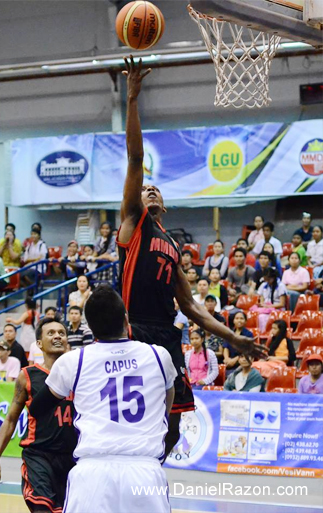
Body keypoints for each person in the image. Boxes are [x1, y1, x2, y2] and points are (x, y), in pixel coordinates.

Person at [116, 56, 263, 456]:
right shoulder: (134, 220)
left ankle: (150, 473)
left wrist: (234, 338)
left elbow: (192, 306)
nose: (150, 191)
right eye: (146, 189)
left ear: (165, 203)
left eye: (156, 190)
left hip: (167, 333)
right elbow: (135, 159)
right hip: (134, 331)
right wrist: (132, 100)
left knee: (175, 427)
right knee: (136, 421)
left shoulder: (172, 243)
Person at [28, 284, 177, 513]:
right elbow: (168, 399)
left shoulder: (72, 362)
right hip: (145, 470)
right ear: (126, 320)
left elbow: (37, 408)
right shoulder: (159, 356)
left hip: (92, 473)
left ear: (90, 327)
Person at [0, 317, 77, 513]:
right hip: (39, 456)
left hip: (73, 458)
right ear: (39, 344)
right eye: (51, 333)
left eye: (61, 333)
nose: (57, 336)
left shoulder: (79, 374)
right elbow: (11, 419)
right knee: (42, 509)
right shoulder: (27, 375)